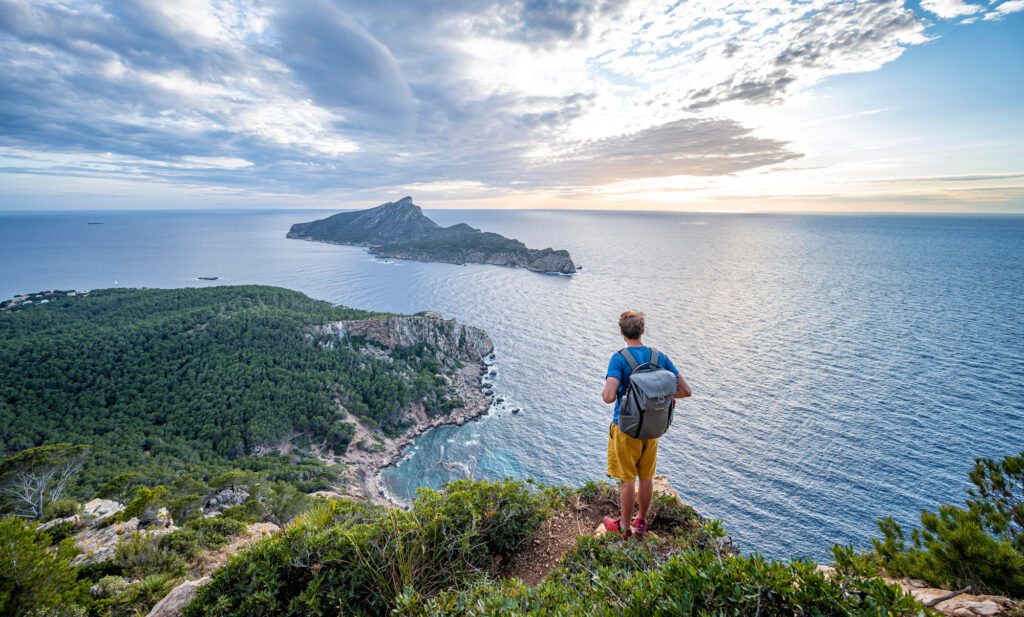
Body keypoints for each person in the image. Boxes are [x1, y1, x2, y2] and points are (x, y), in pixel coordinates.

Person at [601, 311, 691, 538]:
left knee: (627, 480)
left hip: (626, 430)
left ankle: (623, 528)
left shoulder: (619, 359)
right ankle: (641, 521)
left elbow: (609, 396)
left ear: (622, 333)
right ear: (643, 330)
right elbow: (685, 391)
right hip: (652, 429)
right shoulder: (659, 357)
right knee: (646, 477)